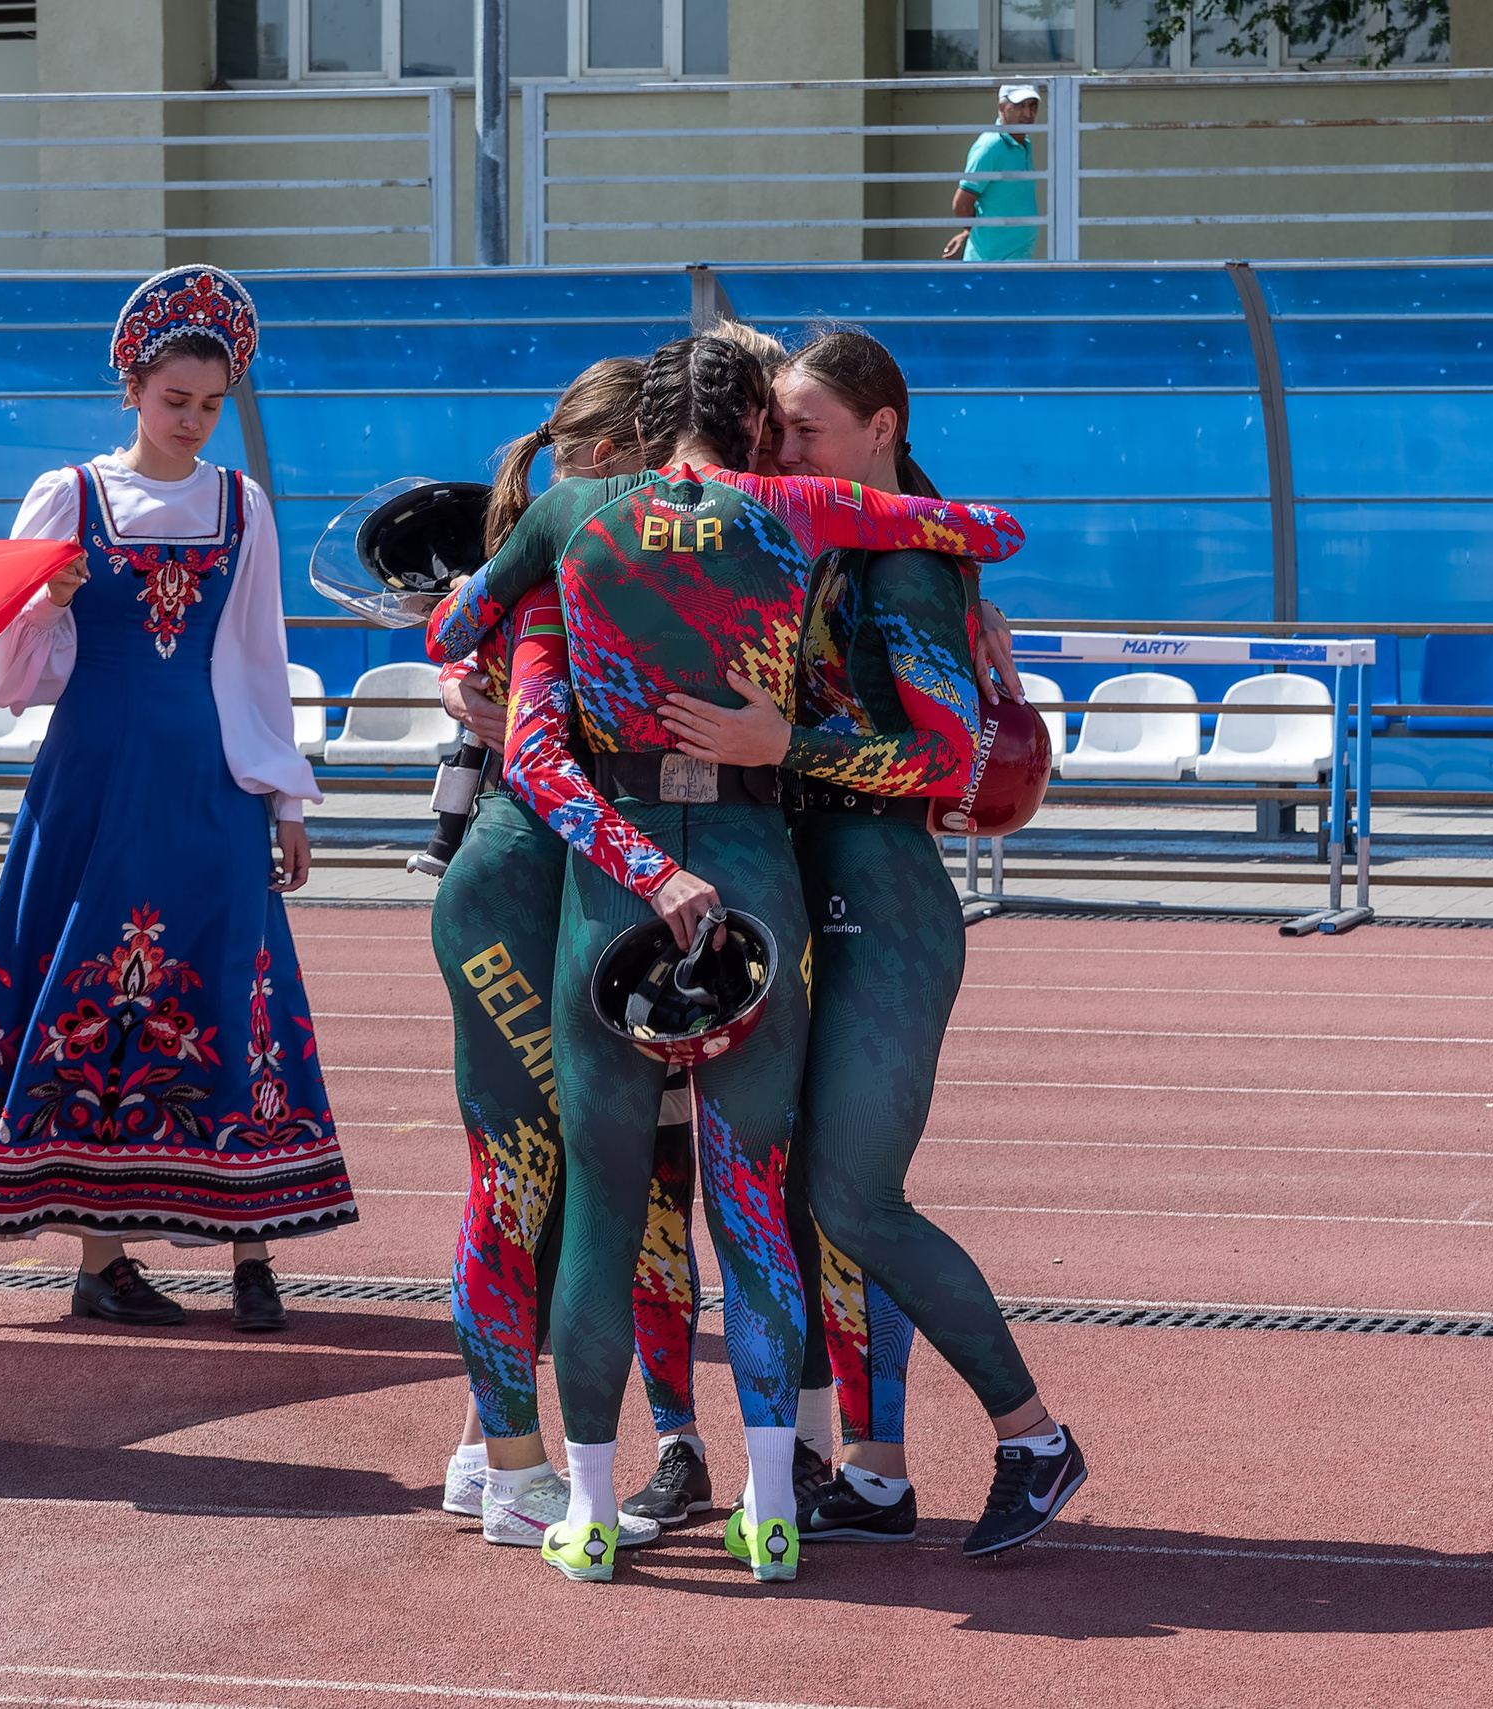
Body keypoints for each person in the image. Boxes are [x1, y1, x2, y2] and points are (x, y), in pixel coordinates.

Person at [427, 334, 1025, 1583]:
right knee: (737, 1195)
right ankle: (747, 1493)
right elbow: (993, 524)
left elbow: (457, 636)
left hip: (609, 874)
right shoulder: (792, 512)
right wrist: (944, 545)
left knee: (592, 1196)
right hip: (744, 872)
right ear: (747, 424)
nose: (782, 446)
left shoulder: (570, 524)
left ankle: (576, 1488)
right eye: (777, 426)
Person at [659, 326, 1085, 1560]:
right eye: (773, 433)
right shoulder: (854, 542)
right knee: (796, 1197)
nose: (780, 452)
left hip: (882, 896)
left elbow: (943, 762)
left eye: (804, 432)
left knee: (852, 1194)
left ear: (880, 428)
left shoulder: (900, 564)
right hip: (808, 886)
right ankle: (869, 1471)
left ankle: (1034, 1438)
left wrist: (777, 750)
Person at [0, 265, 352, 1333]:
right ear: (131, 387)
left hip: (209, 781)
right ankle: (99, 1258)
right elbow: (6, 674)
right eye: (176, 402)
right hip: (94, 776)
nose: (194, 422)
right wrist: (42, 601)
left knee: (227, 987)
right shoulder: (65, 497)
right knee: (98, 991)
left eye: (211, 406)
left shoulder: (239, 502)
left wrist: (285, 796)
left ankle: (251, 1247)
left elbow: (259, 657)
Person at [423, 360, 695, 1547]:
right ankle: (514, 1463)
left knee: (565, 1181)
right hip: (508, 896)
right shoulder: (555, 571)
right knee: (517, 1177)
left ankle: (495, 1449)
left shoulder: (600, 560)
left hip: (550, 894)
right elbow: (466, 649)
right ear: (610, 462)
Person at [942, 85, 1042, 264]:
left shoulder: (1024, 143)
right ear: (1002, 108)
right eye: (1020, 106)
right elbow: (961, 204)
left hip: (1015, 259)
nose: (1028, 114)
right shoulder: (990, 146)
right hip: (991, 263)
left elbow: (999, 201)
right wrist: (976, 232)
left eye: (1032, 105)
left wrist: (967, 233)